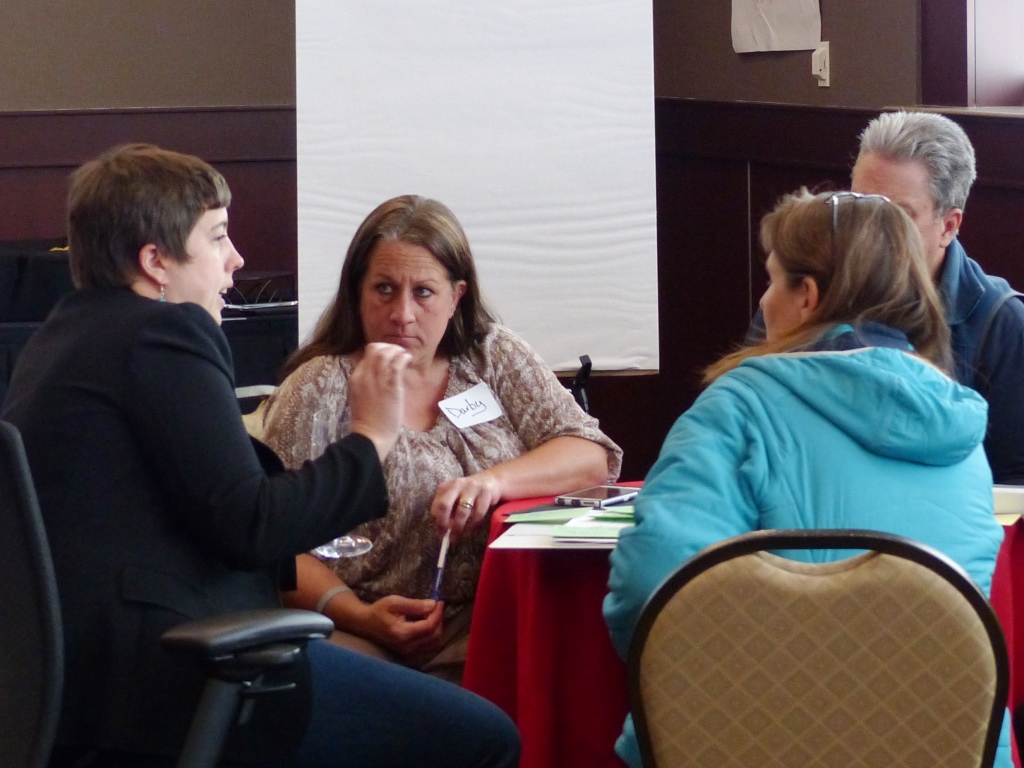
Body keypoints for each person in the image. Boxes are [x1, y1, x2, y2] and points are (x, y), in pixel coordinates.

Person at [3, 144, 520, 768]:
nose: (236, 261)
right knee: (485, 738)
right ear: (155, 261)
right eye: (218, 237)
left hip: (74, 690)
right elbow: (254, 524)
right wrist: (372, 437)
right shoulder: (165, 335)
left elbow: (214, 510)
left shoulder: (59, 339)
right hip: (178, 679)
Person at [604, 189, 1010, 768]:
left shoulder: (738, 406)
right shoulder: (963, 433)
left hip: (755, 745)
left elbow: (653, 599)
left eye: (771, 281)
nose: (764, 299)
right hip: (949, 750)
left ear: (808, 297)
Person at [261, 194, 622, 681]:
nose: (402, 314)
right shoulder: (319, 385)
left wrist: (493, 483)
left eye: (424, 293)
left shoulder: (491, 356)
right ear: (357, 294)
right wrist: (357, 615)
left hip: (493, 614)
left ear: (457, 297)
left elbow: (590, 455)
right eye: (384, 290)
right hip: (359, 627)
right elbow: (275, 542)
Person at [850, 111, 1024, 484]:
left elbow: (1014, 487)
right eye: (859, 206)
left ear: (948, 226)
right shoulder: (802, 291)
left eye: (897, 215)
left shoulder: (1004, 324)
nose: (868, 231)